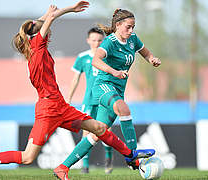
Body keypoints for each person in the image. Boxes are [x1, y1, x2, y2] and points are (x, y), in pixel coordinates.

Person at [0, 2, 155, 180]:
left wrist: (46, 15)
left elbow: (42, 23)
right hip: (48, 109)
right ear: (36, 36)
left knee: (99, 128)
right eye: (45, 30)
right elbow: (50, 21)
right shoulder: (37, 46)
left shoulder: (34, 47)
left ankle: (129, 155)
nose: (49, 33)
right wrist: (69, 9)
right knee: (28, 157)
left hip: (59, 106)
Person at [57, 8, 161, 175]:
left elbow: (144, 51)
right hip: (103, 86)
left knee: (97, 133)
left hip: (117, 89)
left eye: (133, 27)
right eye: (128, 27)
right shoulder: (110, 42)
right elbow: (95, 61)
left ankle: (62, 168)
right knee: (124, 109)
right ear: (118, 25)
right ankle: (133, 155)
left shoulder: (133, 39)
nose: (131, 30)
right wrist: (114, 72)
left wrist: (152, 59)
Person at [67, 27, 113, 174]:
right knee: (86, 131)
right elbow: (75, 79)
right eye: (93, 40)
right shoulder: (82, 57)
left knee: (106, 130)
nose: (96, 43)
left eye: (99, 40)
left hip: (104, 98)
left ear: (103, 41)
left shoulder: (107, 56)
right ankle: (85, 166)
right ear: (88, 40)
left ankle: (108, 160)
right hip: (88, 99)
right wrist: (69, 98)